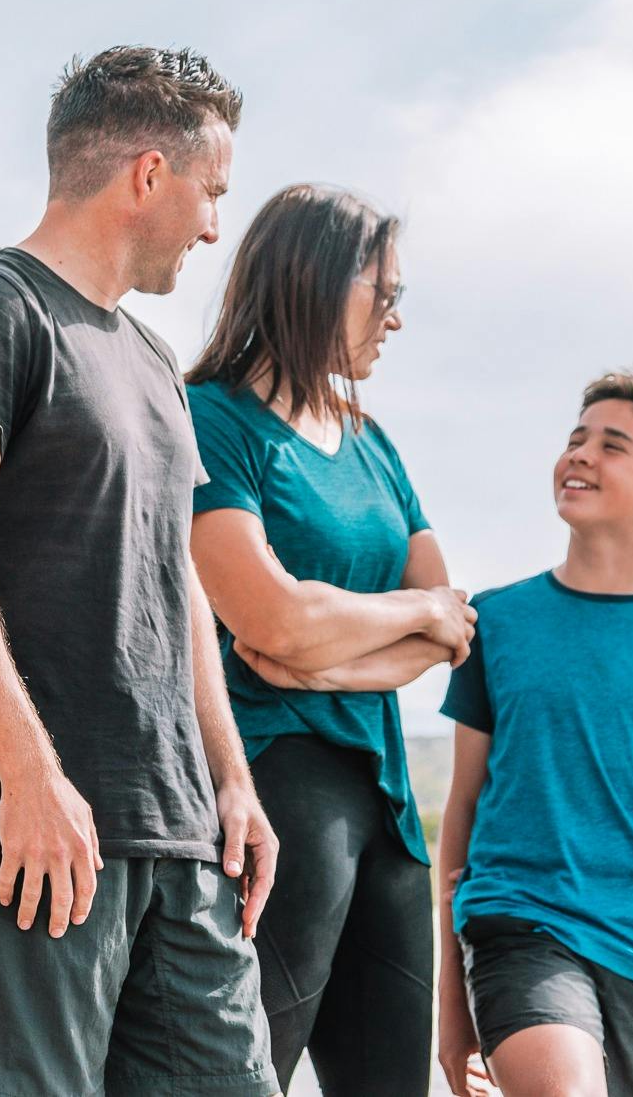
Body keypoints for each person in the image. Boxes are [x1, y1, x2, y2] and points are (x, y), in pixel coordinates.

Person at [0, 45, 279, 1097]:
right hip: (30, 823)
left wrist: (231, 779)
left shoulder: (154, 364)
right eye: (210, 194)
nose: (211, 226)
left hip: (176, 821)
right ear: (148, 174)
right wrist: (28, 775)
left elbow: (177, 587)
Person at [185, 183, 477, 1095]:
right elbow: (267, 616)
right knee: (243, 1077)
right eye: (380, 293)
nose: (393, 319)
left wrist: (329, 654)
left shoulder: (371, 442)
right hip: (274, 788)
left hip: (386, 799)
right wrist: (391, 619)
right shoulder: (210, 420)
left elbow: (453, 620)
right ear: (314, 280)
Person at [435, 372, 633, 1097]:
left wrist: (617, 860)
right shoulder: (500, 621)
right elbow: (463, 808)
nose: (580, 454)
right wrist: (450, 1012)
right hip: (520, 921)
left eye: (611, 445)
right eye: (576, 438)